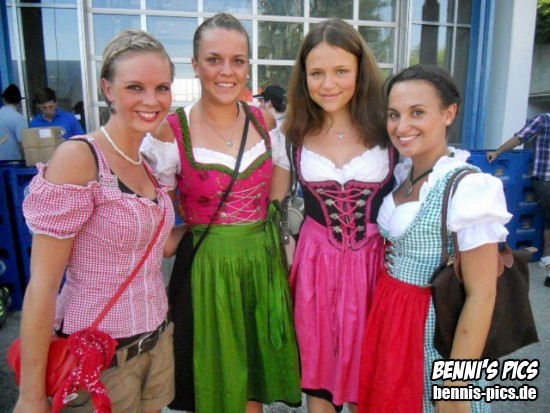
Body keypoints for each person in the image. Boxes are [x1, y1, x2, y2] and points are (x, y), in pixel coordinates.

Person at [13, 29, 184, 413]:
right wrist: (30, 395)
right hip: (98, 360)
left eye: (161, 87)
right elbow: (42, 286)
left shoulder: (147, 163)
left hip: (155, 345)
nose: (152, 100)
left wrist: (217, 221)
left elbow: (159, 247)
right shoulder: (81, 158)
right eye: (135, 87)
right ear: (108, 89)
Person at [140, 12, 301, 413]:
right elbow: (157, 211)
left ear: (248, 66)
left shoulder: (263, 121)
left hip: (261, 262)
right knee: (218, 379)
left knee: (253, 383)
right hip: (208, 268)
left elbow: (279, 178)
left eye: (238, 60)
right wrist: (184, 232)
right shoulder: (170, 130)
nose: (227, 71)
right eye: (214, 60)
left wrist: (274, 223)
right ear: (195, 65)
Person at [358, 64, 512, 413]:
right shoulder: (403, 173)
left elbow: (482, 294)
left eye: (417, 112)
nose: (401, 126)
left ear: (449, 113)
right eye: (394, 114)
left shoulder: (469, 186)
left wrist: (455, 385)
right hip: (390, 318)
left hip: (432, 328)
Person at [282, 18, 397, 413]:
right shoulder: (291, 135)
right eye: (317, 73)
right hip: (316, 267)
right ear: (304, 77)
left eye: (341, 71)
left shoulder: (389, 130)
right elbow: (268, 197)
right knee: (320, 379)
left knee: (372, 375)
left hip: (376, 268)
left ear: (361, 71)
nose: (328, 84)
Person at [487, 113, 550, 284]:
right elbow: (520, 138)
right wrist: (498, 152)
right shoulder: (544, 119)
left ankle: (546, 258)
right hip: (545, 178)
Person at [0, 84, 28, 161]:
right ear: (19, 101)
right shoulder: (19, 119)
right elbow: (24, 145)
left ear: (4, 100)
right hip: (13, 163)